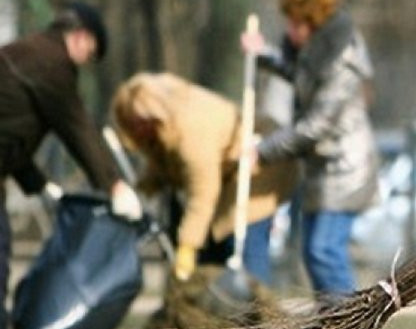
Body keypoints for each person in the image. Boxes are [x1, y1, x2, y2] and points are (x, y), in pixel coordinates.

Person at [0, 1, 141, 329]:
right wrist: (114, 185)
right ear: (80, 37)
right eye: (90, 54)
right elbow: (77, 128)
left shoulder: (28, 53)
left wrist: (38, 183)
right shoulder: (51, 62)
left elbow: (10, 130)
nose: (84, 64)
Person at [242, 0, 379, 299]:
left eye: (295, 23)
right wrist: (262, 54)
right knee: (314, 253)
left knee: (323, 251)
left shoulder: (342, 61)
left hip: (346, 170)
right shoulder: (315, 53)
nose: (290, 31)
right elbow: (298, 76)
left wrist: (262, 152)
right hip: (323, 169)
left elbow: (317, 125)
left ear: (313, 22)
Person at [111, 72, 297, 284]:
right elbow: (164, 166)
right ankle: (220, 310)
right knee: (213, 246)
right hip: (228, 175)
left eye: (139, 123)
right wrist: (140, 189)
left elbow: (202, 193)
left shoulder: (192, 129)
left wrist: (187, 246)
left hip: (258, 168)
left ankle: (260, 310)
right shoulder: (165, 127)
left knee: (242, 242)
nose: (137, 131)